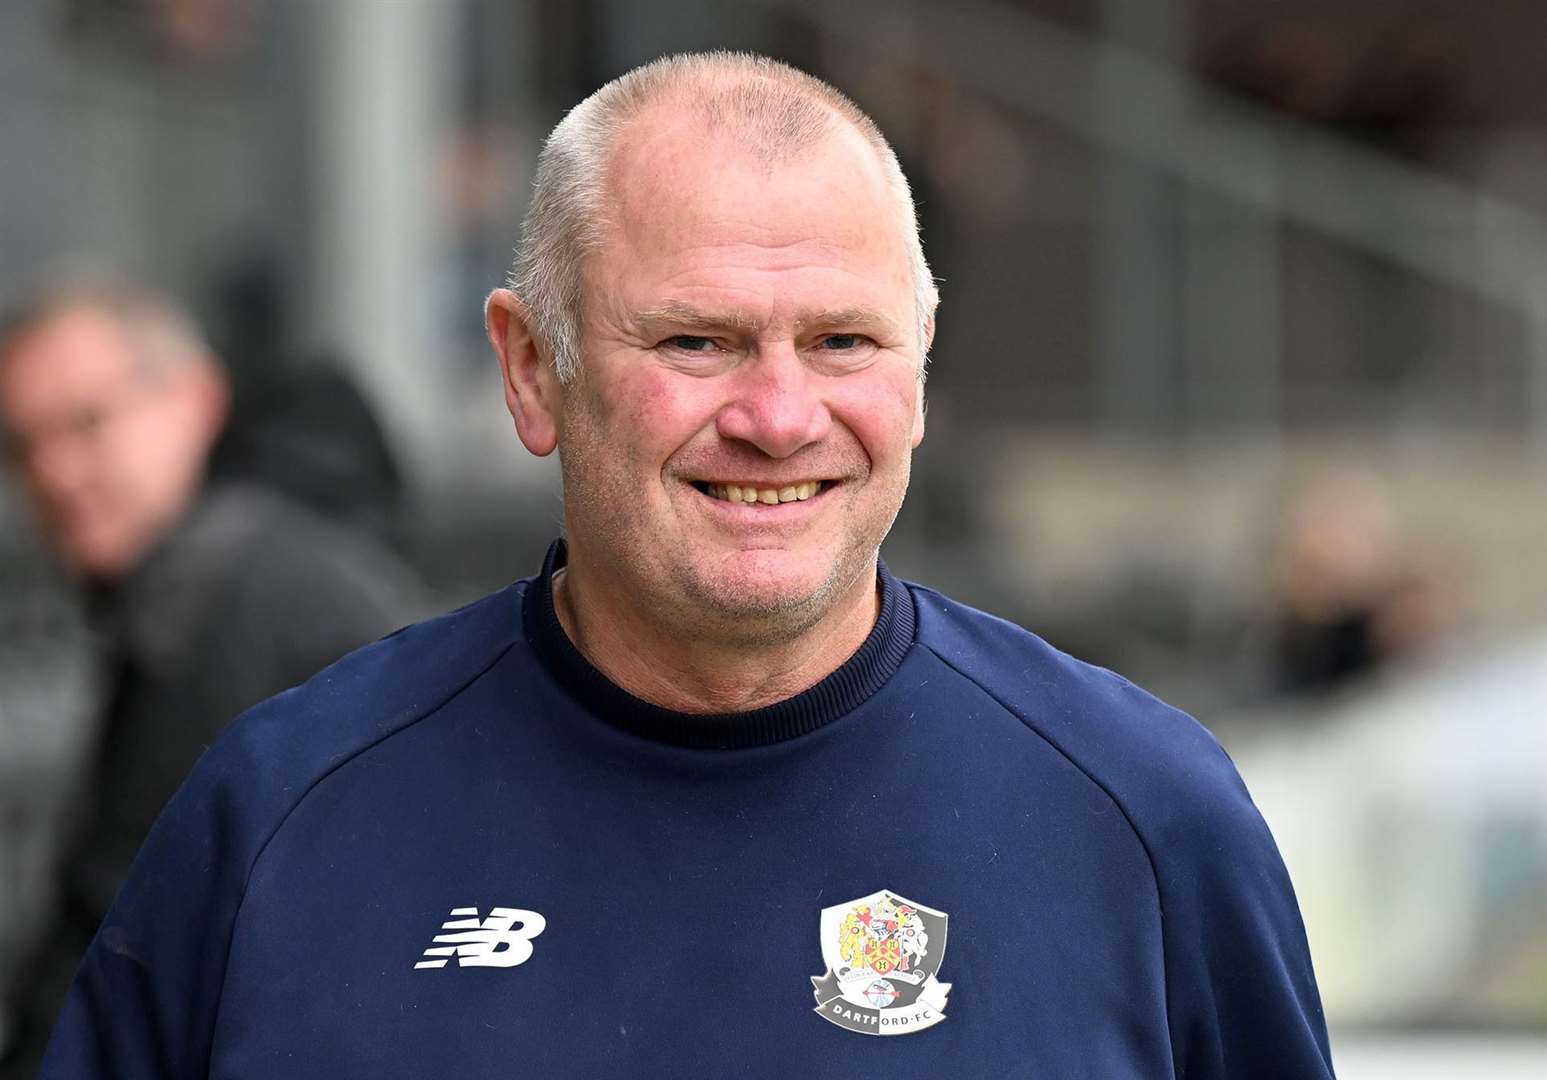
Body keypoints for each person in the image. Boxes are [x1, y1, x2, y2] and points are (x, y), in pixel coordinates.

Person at [40, 53, 1333, 1078]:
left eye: (839, 341)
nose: (778, 417)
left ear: (920, 365)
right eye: (697, 342)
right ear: (530, 368)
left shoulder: (1146, 822)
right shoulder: (276, 816)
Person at [0, 284, 425, 1074]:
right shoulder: (277, 548)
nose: (54, 472)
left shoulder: (218, 592)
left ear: (196, 398)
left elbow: (116, 934)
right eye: (24, 446)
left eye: (87, 423)